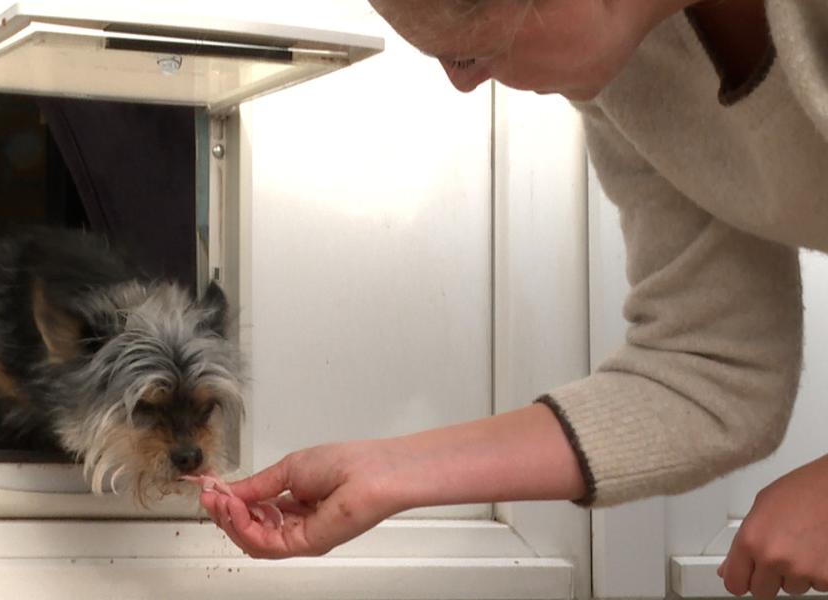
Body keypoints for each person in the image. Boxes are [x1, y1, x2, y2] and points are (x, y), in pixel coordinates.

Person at [199, 1, 828, 598]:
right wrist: (386, 473)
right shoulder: (628, 66)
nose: (464, 83)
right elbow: (711, 370)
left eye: (473, 51)